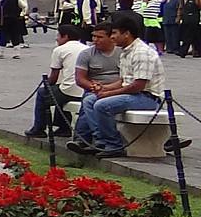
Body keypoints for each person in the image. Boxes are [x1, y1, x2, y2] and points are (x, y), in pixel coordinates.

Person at [71, 10, 165, 158]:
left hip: (147, 97)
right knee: (90, 100)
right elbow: (124, 80)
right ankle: (101, 141)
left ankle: (114, 145)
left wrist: (108, 93)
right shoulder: (126, 52)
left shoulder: (142, 53)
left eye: (114, 33)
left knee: (102, 105)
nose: (112, 37)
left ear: (126, 34)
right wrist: (103, 88)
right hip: (133, 94)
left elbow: (137, 86)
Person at [27, 20, 91, 138]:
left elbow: (53, 77)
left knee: (44, 93)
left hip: (70, 89)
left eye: (58, 36)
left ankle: (39, 128)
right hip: (85, 88)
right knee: (60, 90)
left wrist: (45, 83)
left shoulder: (60, 50)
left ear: (65, 36)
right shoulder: (86, 48)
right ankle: (63, 127)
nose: (56, 39)